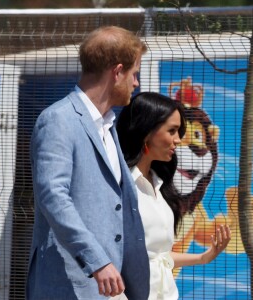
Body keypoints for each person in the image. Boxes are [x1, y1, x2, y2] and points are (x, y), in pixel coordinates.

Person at [26, 26, 150, 300]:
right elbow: (53, 198)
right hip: (67, 284)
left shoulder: (107, 126)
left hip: (107, 287)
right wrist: (98, 261)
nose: (136, 83)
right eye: (134, 73)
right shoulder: (58, 119)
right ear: (117, 72)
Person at [116, 92, 231, 300]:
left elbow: (159, 256)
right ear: (146, 130)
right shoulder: (116, 185)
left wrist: (204, 257)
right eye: (173, 131)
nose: (178, 140)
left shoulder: (161, 185)